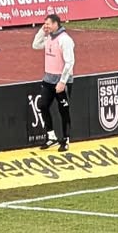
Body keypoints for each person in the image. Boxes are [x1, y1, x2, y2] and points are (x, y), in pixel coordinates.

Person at [33, 13, 75, 151]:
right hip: (48, 79)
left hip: (61, 80)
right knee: (42, 105)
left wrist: (62, 82)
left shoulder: (65, 40)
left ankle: (65, 139)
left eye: (48, 24)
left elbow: (69, 62)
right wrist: (41, 31)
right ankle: (51, 136)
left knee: (63, 110)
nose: (46, 26)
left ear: (56, 24)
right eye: (45, 23)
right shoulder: (48, 38)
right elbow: (35, 45)